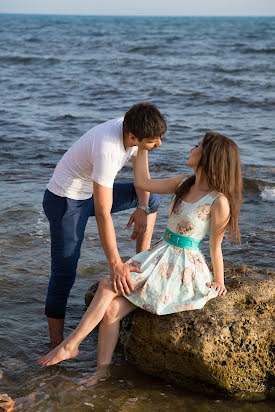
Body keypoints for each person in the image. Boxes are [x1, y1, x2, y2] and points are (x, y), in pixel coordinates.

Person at [38, 131, 243, 384]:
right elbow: (143, 182)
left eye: (197, 146)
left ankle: (71, 345)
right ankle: (101, 373)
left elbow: (215, 246)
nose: (191, 148)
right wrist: (142, 145)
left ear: (210, 157)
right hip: (159, 254)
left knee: (106, 284)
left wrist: (218, 281)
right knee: (112, 309)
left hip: (181, 267)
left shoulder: (219, 201)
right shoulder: (183, 183)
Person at [43, 102, 167, 345]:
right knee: (64, 272)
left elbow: (143, 178)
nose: (159, 144)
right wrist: (115, 264)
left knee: (152, 198)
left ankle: (141, 263)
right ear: (133, 136)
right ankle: (55, 344)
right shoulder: (108, 149)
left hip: (88, 194)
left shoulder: (133, 128)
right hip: (64, 201)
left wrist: (142, 208)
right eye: (154, 141)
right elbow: (103, 213)